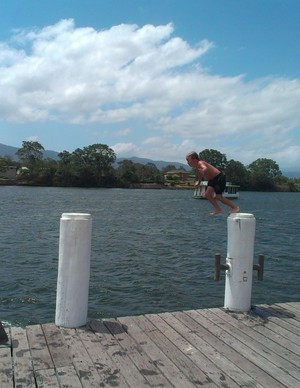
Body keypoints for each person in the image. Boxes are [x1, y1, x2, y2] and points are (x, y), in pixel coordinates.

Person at [186, 151, 240, 216]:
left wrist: (203, 171)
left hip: (219, 178)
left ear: (194, 159)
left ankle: (235, 207)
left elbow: (205, 168)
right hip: (212, 180)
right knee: (207, 194)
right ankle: (218, 209)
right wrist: (198, 183)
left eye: (188, 160)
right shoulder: (197, 168)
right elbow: (200, 177)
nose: (187, 162)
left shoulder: (200, 163)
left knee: (219, 197)